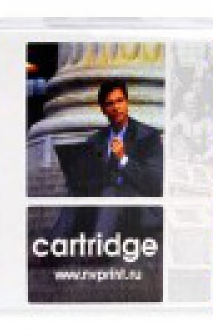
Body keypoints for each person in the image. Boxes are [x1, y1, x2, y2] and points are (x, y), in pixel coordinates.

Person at [51, 80, 163, 240]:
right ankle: (53, 244)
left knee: (111, 190)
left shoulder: (148, 136)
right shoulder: (95, 140)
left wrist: (123, 158)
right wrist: (76, 177)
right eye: (110, 104)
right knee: (75, 191)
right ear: (103, 110)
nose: (116, 107)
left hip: (136, 207)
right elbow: (90, 178)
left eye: (120, 101)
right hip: (102, 204)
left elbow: (154, 184)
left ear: (127, 103)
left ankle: (99, 245)